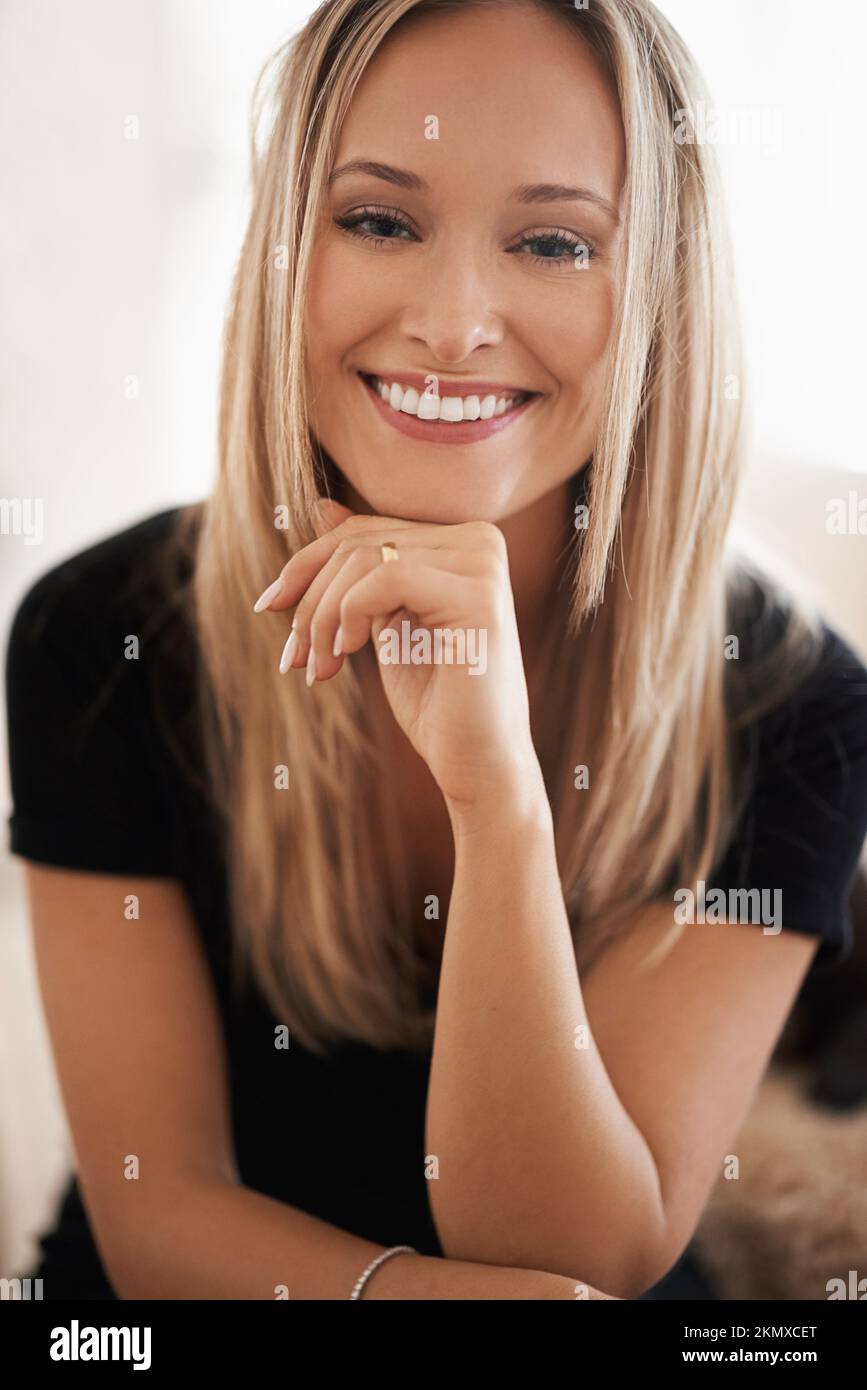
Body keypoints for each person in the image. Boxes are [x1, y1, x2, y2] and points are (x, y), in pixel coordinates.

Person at [5, 0, 867, 1302]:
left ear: (659, 297)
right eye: (380, 218)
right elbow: (156, 1213)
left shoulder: (798, 706)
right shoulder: (104, 634)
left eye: (554, 242)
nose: (455, 320)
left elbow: (588, 1250)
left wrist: (499, 801)